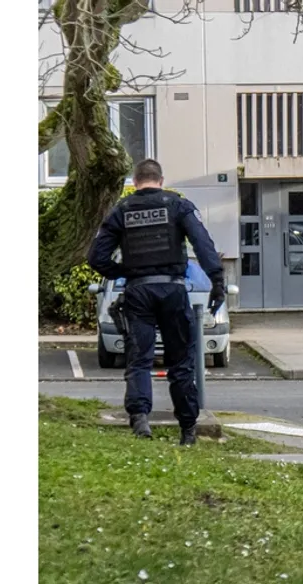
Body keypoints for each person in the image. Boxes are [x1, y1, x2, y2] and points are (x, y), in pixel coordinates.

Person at [86, 159, 227, 446]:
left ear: (135, 182)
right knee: (181, 362)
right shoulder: (177, 205)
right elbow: (203, 244)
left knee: (139, 359)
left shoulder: (122, 210)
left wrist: (124, 272)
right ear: (161, 181)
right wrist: (217, 282)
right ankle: (188, 429)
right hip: (173, 290)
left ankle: (140, 419)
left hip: (138, 292)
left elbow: (96, 257)